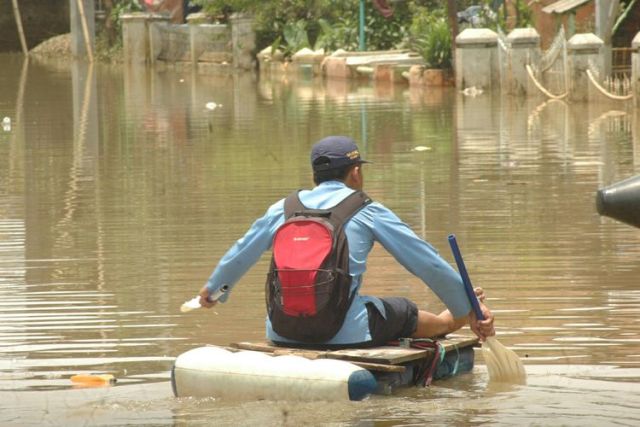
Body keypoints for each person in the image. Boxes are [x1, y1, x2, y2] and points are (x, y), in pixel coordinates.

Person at [197, 135, 495, 347]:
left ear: (315, 175)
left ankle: (454, 314)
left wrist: (215, 291)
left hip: (281, 331)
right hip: (348, 333)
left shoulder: (283, 209)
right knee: (401, 309)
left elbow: (241, 254)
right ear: (355, 173)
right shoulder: (366, 209)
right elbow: (424, 261)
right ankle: (448, 321)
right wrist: (468, 306)